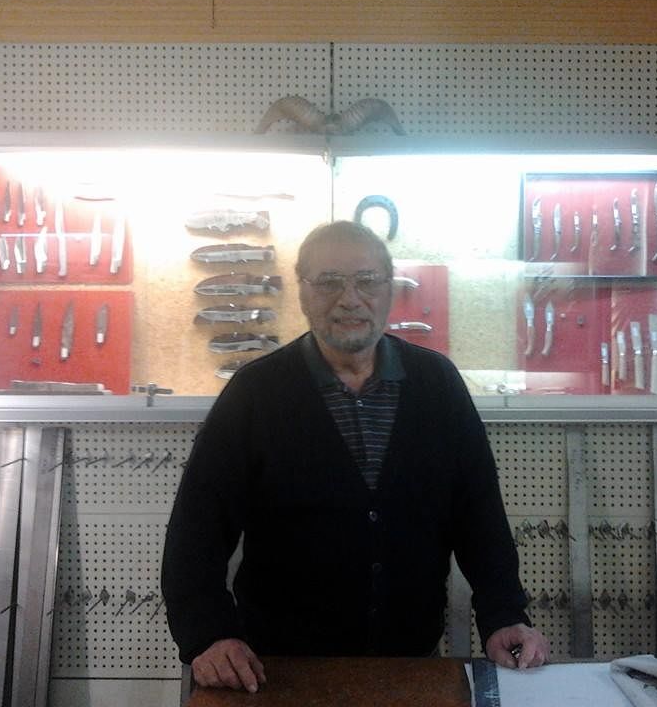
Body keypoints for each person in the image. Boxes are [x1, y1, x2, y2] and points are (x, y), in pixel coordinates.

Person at [161, 220, 549, 693]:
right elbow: (197, 527)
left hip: (410, 666)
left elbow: (479, 516)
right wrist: (208, 633)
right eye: (329, 282)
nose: (350, 299)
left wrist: (504, 614)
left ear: (389, 290)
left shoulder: (437, 385)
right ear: (302, 292)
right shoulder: (255, 393)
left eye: (367, 281)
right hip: (280, 672)